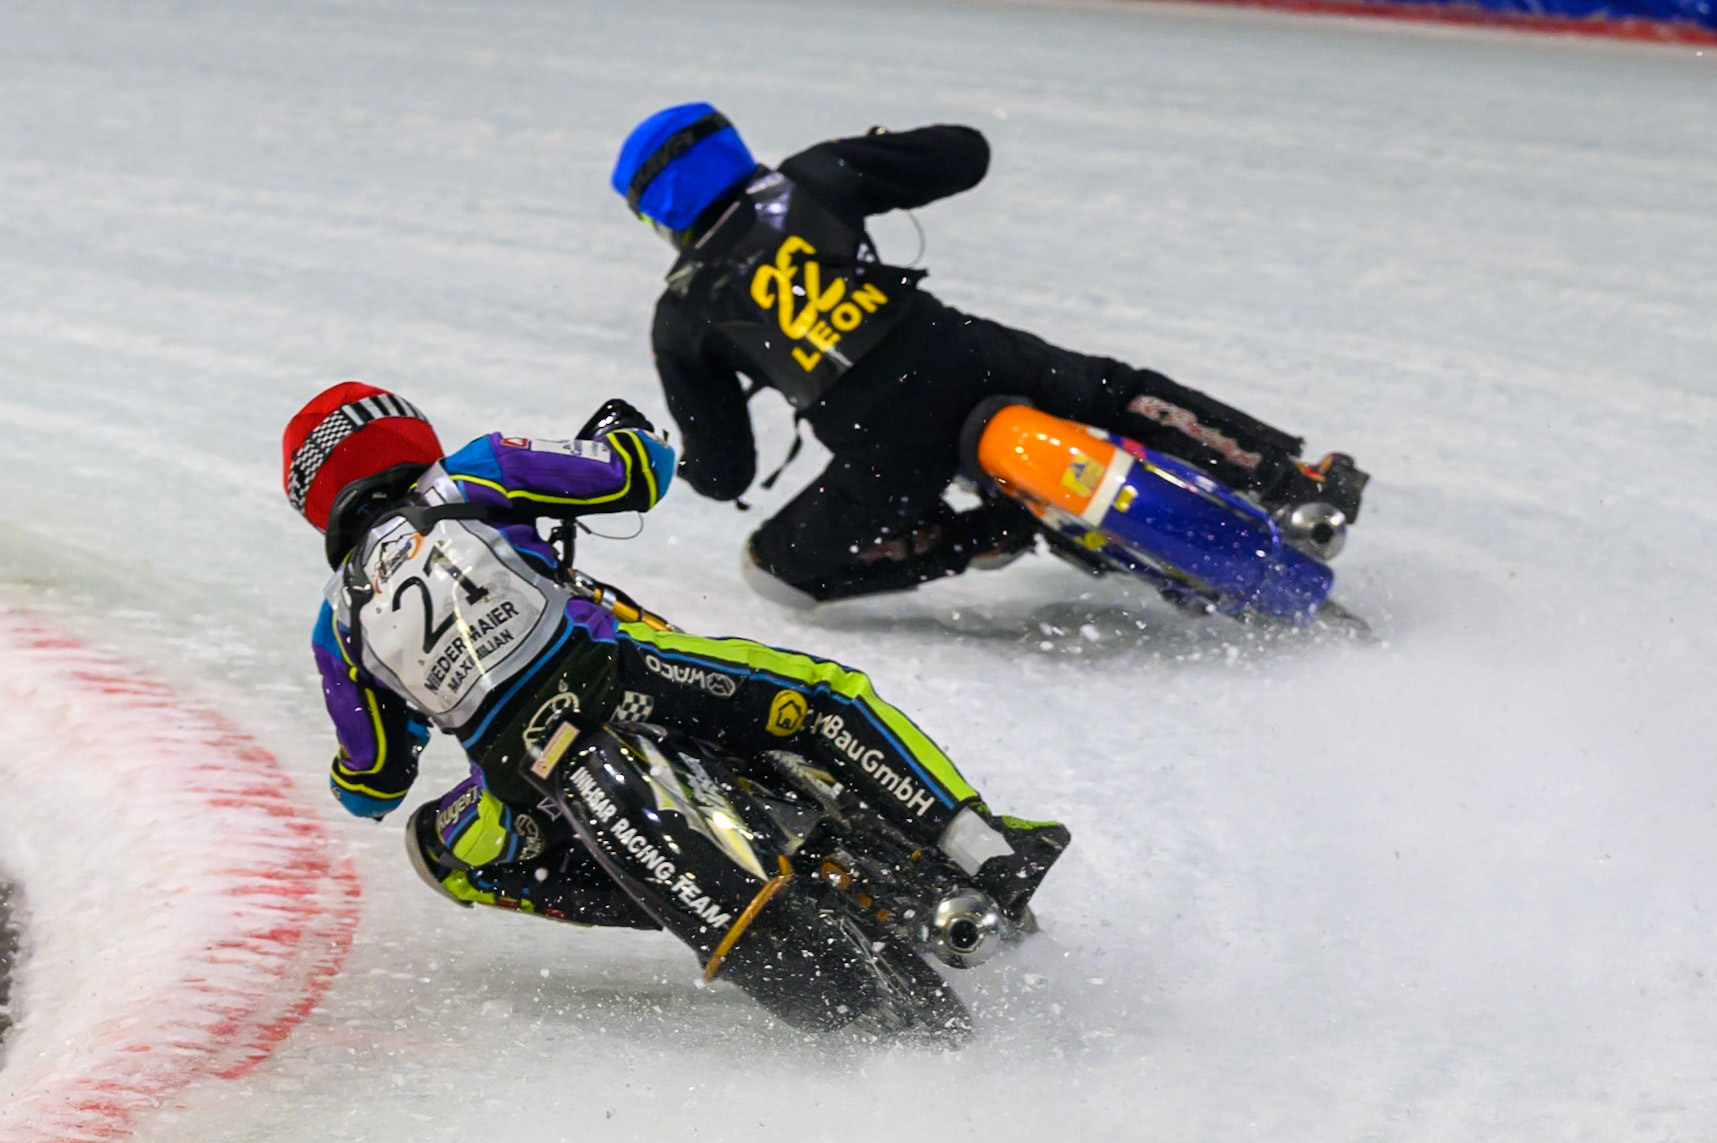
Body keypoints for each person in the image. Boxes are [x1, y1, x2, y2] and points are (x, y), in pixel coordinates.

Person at [283, 381, 1066, 926]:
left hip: (509, 774)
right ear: (401, 431)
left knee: (441, 851)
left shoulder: (336, 624)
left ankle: (667, 896)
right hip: (603, 674)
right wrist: (626, 439)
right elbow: (635, 471)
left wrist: (353, 771)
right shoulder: (471, 472)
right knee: (822, 695)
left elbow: (372, 783)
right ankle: (985, 849)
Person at [611, 104, 1369, 606]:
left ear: (654, 212)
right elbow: (965, 155)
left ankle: (984, 533)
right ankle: (1286, 478)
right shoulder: (811, 177)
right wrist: (876, 154)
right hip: (967, 356)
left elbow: (723, 473)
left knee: (776, 571)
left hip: (889, 454)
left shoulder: (680, 315)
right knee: (1114, 389)